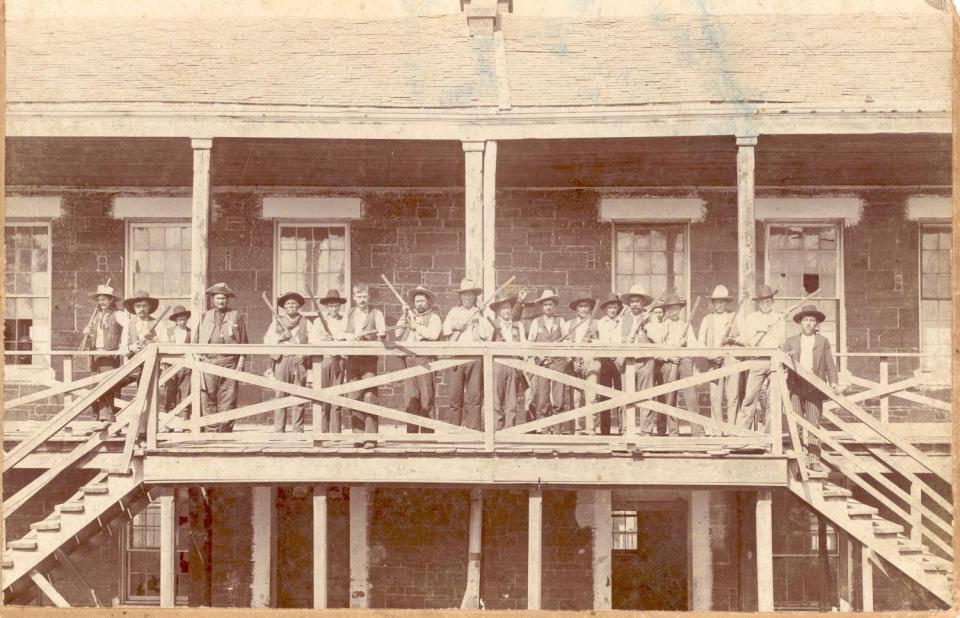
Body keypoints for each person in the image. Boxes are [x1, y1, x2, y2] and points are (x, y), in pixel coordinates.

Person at [783, 304, 838, 472]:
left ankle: (814, 459)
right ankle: (799, 458)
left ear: (816, 324)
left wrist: (833, 381)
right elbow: (781, 362)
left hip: (814, 386)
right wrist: (787, 358)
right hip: (795, 385)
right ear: (800, 322)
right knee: (796, 422)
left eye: (812, 320)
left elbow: (829, 363)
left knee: (813, 423)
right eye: (805, 320)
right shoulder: (791, 341)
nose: (808, 323)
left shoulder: (823, 342)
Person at [729, 285, 786, 431]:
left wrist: (771, 332)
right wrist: (759, 331)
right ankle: (742, 432)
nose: (765, 304)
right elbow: (747, 341)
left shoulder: (779, 318)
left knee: (772, 399)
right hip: (757, 360)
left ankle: (769, 434)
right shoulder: (751, 318)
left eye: (768, 301)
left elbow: (781, 341)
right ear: (758, 303)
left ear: (772, 302)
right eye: (762, 302)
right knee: (750, 397)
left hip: (774, 361)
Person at [196, 283, 248, 433]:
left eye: (223, 298)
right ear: (213, 299)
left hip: (229, 361)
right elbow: (196, 339)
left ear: (227, 300)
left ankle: (225, 430)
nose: (221, 301)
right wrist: (197, 355)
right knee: (207, 396)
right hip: (208, 361)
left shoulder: (236, 315)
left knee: (228, 397)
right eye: (218, 298)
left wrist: (242, 360)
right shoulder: (205, 315)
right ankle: (211, 429)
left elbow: (244, 340)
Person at [342, 283, 386, 447]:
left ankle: (371, 438)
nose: (361, 299)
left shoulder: (376, 314)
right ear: (354, 297)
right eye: (358, 296)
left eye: (364, 296)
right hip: (352, 360)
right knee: (354, 395)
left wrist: (380, 334)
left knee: (369, 396)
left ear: (369, 297)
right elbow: (341, 332)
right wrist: (350, 336)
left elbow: (382, 333)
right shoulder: (349, 313)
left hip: (368, 360)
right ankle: (358, 437)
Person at [396, 285, 443, 433]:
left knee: (427, 397)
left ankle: (428, 434)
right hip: (409, 360)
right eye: (417, 301)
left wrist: (416, 326)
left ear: (428, 302)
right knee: (411, 397)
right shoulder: (408, 316)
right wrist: (405, 316)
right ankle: (412, 433)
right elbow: (397, 333)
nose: (419, 304)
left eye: (422, 301)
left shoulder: (434, 317)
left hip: (425, 360)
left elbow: (433, 335)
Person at [264, 292, 310, 433]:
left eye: (294, 303)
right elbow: (267, 340)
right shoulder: (277, 322)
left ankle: (298, 429)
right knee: (280, 395)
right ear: (284, 306)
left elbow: (313, 341)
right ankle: (279, 430)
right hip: (282, 360)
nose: (291, 306)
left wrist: (304, 354)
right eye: (288, 303)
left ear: (298, 306)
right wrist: (281, 337)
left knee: (298, 395)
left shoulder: (305, 322)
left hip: (298, 361)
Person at [442, 278, 485, 430]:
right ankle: (454, 430)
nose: (467, 298)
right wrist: (456, 326)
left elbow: (486, 335)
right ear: (460, 297)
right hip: (457, 358)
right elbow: (445, 329)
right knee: (455, 396)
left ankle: (473, 430)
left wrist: (478, 323)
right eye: (464, 295)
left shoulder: (480, 313)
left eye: (470, 295)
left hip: (475, 359)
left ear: (475, 297)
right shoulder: (454, 312)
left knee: (474, 396)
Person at [697, 285, 741, 433]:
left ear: (726, 303)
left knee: (732, 396)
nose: (719, 305)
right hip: (713, 362)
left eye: (722, 302)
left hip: (732, 360)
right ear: (712, 303)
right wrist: (711, 356)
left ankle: (730, 430)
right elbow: (700, 343)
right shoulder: (707, 319)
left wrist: (733, 340)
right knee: (715, 397)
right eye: (716, 302)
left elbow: (745, 338)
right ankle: (718, 429)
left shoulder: (735, 317)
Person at [526, 289, 571, 434]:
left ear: (555, 305)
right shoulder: (536, 322)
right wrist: (539, 356)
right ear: (542, 306)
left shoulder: (561, 321)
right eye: (545, 304)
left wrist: (561, 352)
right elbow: (530, 343)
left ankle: (557, 430)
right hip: (542, 363)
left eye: (551, 304)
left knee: (558, 396)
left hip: (558, 362)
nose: (548, 307)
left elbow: (567, 341)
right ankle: (544, 430)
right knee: (542, 397)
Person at [115, 290, 163, 420]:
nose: (141, 309)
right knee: (111, 385)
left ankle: (142, 434)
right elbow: (122, 347)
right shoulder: (129, 324)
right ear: (134, 308)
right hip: (133, 365)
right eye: (138, 306)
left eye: (144, 306)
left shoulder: (157, 323)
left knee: (146, 397)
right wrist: (132, 347)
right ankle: (111, 421)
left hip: (150, 365)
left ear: (149, 307)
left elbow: (166, 343)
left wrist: (153, 341)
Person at [656, 291, 699, 436]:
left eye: (677, 309)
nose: (674, 312)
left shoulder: (686, 326)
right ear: (667, 310)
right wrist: (668, 357)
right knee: (670, 397)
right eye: (671, 309)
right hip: (669, 364)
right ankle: (673, 431)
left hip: (685, 361)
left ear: (680, 310)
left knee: (691, 397)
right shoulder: (662, 327)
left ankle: (697, 431)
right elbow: (658, 348)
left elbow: (694, 345)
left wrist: (686, 343)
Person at [82, 284, 127, 422]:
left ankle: (110, 420)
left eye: (104, 299)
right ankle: (97, 419)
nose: (101, 302)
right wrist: (89, 333)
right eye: (99, 299)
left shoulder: (118, 314)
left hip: (110, 356)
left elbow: (129, 329)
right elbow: (94, 336)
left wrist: (123, 346)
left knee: (109, 387)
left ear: (111, 300)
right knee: (95, 387)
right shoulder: (96, 317)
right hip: (96, 356)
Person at [484, 294, 525, 429]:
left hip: (513, 364)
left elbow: (523, 346)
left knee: (512, 400)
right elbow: (487, 343)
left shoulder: (518, 326)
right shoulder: (492, 324)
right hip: (498, 363)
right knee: (496, 399)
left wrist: (522, 363)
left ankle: (509, 430)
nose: (506, 311)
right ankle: (496, 430)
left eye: (508, 308)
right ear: (498, 312)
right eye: (503, 308)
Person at [618, 284, 656, 435]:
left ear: (643, 303)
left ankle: (646, 430)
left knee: (646, 395)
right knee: (627, 395)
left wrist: (648, 325)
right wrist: (627, 339)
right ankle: (628, 429)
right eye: (632, 301)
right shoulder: (623, 319)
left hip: (645, 360)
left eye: (638, 301)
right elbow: (615, 339)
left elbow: (658, 338)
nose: (635, 304)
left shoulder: (651, 318)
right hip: (628, 361)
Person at [310, 289, 347, 434]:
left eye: (336, 305)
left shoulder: (344, 320)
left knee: (336, 397)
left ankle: (336, 433)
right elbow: (312, 340)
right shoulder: (319, 321)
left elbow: (347, 337)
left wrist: (337, 339)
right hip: (323, 361)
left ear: (339, 306)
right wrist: (323, 339)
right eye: (331, 306)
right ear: (327, 307)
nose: (333, 308)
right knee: (322, 398)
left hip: (338, 360)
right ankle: (322, 432)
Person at [565, 295, 600, 434]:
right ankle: (577, 427)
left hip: (591, 360)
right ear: (576, 309)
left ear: (591, 308)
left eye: (586, 306)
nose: (584, 309)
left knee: (591, 396)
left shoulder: (597, 323)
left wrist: (592, 341)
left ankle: (591, 427)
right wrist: (572, 360)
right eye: (581, 306)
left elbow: (605, 341)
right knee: (576, 397)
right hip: (575, 362)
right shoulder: (569, 324)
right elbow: (566, 344)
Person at [594, 295, 625, 435]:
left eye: (615, 307)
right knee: (604, 394)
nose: (612, 310)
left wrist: (619, 356)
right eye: (610, 307)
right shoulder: (600, 323)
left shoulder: (623, 321)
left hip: (620, 360)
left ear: (618, 308)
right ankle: (605, 430)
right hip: (606, 360)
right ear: (606, 309)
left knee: (621, 393)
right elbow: (596, 340)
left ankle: (622, 428)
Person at [163, 305, 192, 416]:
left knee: (185, 391)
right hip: (170, 365)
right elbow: (163, 345)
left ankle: (184, 419)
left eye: (184, 319)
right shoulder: (169, 331)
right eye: (179, 320)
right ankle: (169, 420)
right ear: (176, 320)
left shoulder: (190, 332)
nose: (182, 322)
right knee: (170, 391)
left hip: (185, 365)